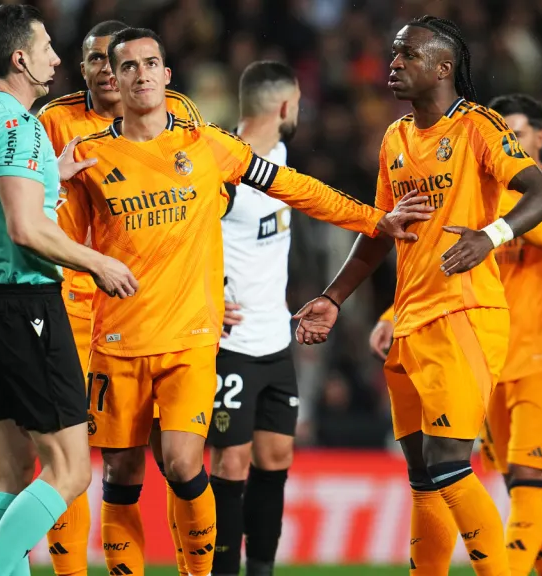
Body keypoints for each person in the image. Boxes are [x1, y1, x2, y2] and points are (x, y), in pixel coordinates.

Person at [58, 27, 432, 576]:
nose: (140, 74)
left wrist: (375, 219)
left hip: (190, 341)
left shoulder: (207, 145)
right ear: (113, 77)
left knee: (183, 464)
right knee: (121, 475)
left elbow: (294, 187)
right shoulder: (88, 158)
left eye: (151, 63)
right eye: (128, 65)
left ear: (167, 74)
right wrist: (56, 194)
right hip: (116, 341)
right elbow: (58, 246)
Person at [294, 15, 542, 575]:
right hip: (410, 321)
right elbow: (381, 232)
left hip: (464, 313)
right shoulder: (395, 137)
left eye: (407, 55)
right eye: (394, 53)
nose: (393, 64)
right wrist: (334, 298)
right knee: (422, 475)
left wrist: (490, 236)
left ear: (443, 67)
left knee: (447, 463)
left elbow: (541, 195)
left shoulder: (477, 127)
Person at [0, 6, 136, 576]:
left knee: (7, 469)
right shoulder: (20, 127)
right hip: (25, 304)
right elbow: (25, 229)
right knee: (70, 471)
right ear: (20, 58)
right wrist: (96, 262)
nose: (57, 58)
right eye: (47, 47)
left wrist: (50, 173)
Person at [371, 93, 542, 576]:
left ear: (540, 137)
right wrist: (391, 313)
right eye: (501, 134)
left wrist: (479, 184)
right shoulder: (478, 190)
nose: (507, 143)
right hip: (484, 349)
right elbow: (438, 258)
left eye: (516, 134)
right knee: (517, 482)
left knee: (528, 477)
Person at [36, 19, 205, 576]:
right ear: (85, 69)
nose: (112, 71)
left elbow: (204, 199)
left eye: (123, 61)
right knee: (70, 456)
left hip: (147, 308)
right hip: (70, 308)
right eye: (99, 60)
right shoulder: (55, 121)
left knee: (171, 457)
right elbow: (26, 203)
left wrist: (209, 284)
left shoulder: (175, 112)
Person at [207, 61, 302, 576]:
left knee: (276, 457)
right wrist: (206, 296)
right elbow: (183, 237)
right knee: (230, 462)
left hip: (276, 341)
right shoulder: (221, 167)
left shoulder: (281, 158)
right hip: (232, 344)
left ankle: (261, 570)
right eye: (298, 103)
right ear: (285, 106)